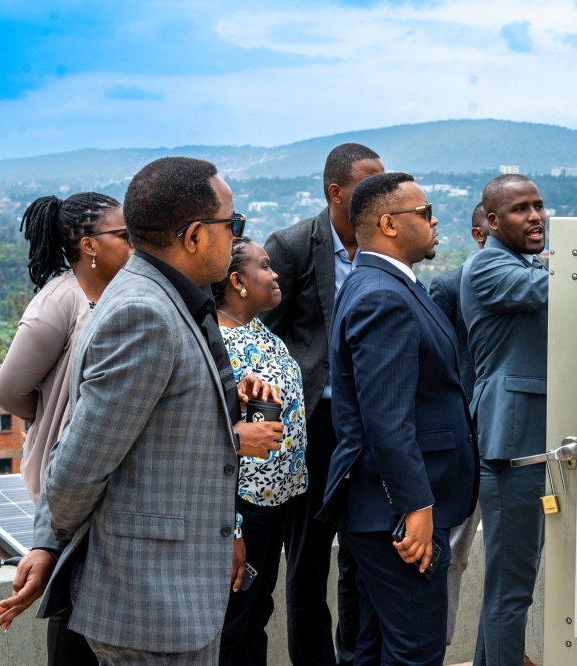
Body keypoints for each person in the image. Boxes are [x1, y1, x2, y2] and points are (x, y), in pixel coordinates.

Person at [0, 157, 276, 664]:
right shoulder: (145, 313)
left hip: (176, 592)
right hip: (154, 607)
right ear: (192, 237)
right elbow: (78, 466)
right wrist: (50, 542)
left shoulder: (168, 298)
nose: (236, 236)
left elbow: (160, 438)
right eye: (232, 224)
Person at [319, 172, 478, 665]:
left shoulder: (377, 283)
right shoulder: (382, 295)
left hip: (384, 509)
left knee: (372, 647)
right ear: (389, 224)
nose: (435, 222)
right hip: (399, 515)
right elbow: (386, 419)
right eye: (425, 213)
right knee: (416, 651)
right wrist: (416, 507)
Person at [0, 192, 130, 665]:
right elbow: (8, 392)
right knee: (71, 613)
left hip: (108, 476)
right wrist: (49, 415)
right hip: (68, 479)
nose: (135, 244)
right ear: (89, 244)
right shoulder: (60, 300)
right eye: (124, 235)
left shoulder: (121, 293)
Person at [262, 143, 384, 666]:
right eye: (368, 184)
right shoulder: (291, 246)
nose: (380, 194)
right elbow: (263, 340)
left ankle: (357, 657)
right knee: (308, 562)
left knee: (364, 553)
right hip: (314, 427)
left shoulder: (384, 243)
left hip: (371, 425)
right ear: (336, 192)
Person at [461, 174, 549, 666]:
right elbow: (558, 286)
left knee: (509, 586)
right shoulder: (488, 267)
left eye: (538, 206)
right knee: (510, 590)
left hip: (528, 444)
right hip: (510, 446)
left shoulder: (523, 262)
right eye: (520, 209)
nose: (535, 216)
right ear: (492, 222)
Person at [215, 237, 308, 666]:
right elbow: (217, 442)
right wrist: (233, 528)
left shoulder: (258, 329)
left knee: (257, 614)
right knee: (232, 622)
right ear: (237, 280)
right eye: (265, 267)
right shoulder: (218, 345)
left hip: (277, 504)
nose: (275, 275)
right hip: (244, 507)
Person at [427, 201, 489, 646]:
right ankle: (437, 644)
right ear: (478, 233)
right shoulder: (448, 286)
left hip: (511, 440)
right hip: (462, 442)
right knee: (450, 552)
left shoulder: (537, 281)